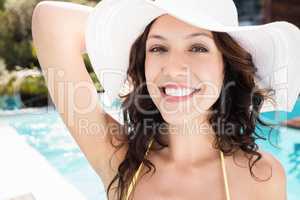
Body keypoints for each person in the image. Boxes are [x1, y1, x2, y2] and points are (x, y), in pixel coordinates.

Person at [32, 0, 300, 199]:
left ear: (226, 66)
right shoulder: (120, 161)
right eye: (158, 48)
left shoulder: (262, 176)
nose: (173, 69)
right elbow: (51, 20)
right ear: (143, 64)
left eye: (197, 47)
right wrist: (122, 34)